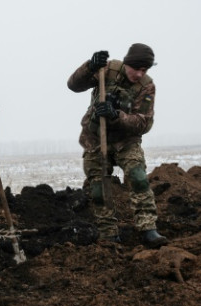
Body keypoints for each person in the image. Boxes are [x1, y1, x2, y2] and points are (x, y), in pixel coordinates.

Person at [67, 43, 168, 247]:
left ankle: (148, 229)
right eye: (136, 68)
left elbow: (144, 123)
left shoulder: (146, 86)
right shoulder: (106, 70)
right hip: (95, 138)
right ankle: (109, 234)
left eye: (144, 70)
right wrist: (90, 67)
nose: (139, 74)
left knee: (138, 178)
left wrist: (116, 116)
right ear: (127, 63)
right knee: (98, 188)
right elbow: (74, 85)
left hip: (126, 141)